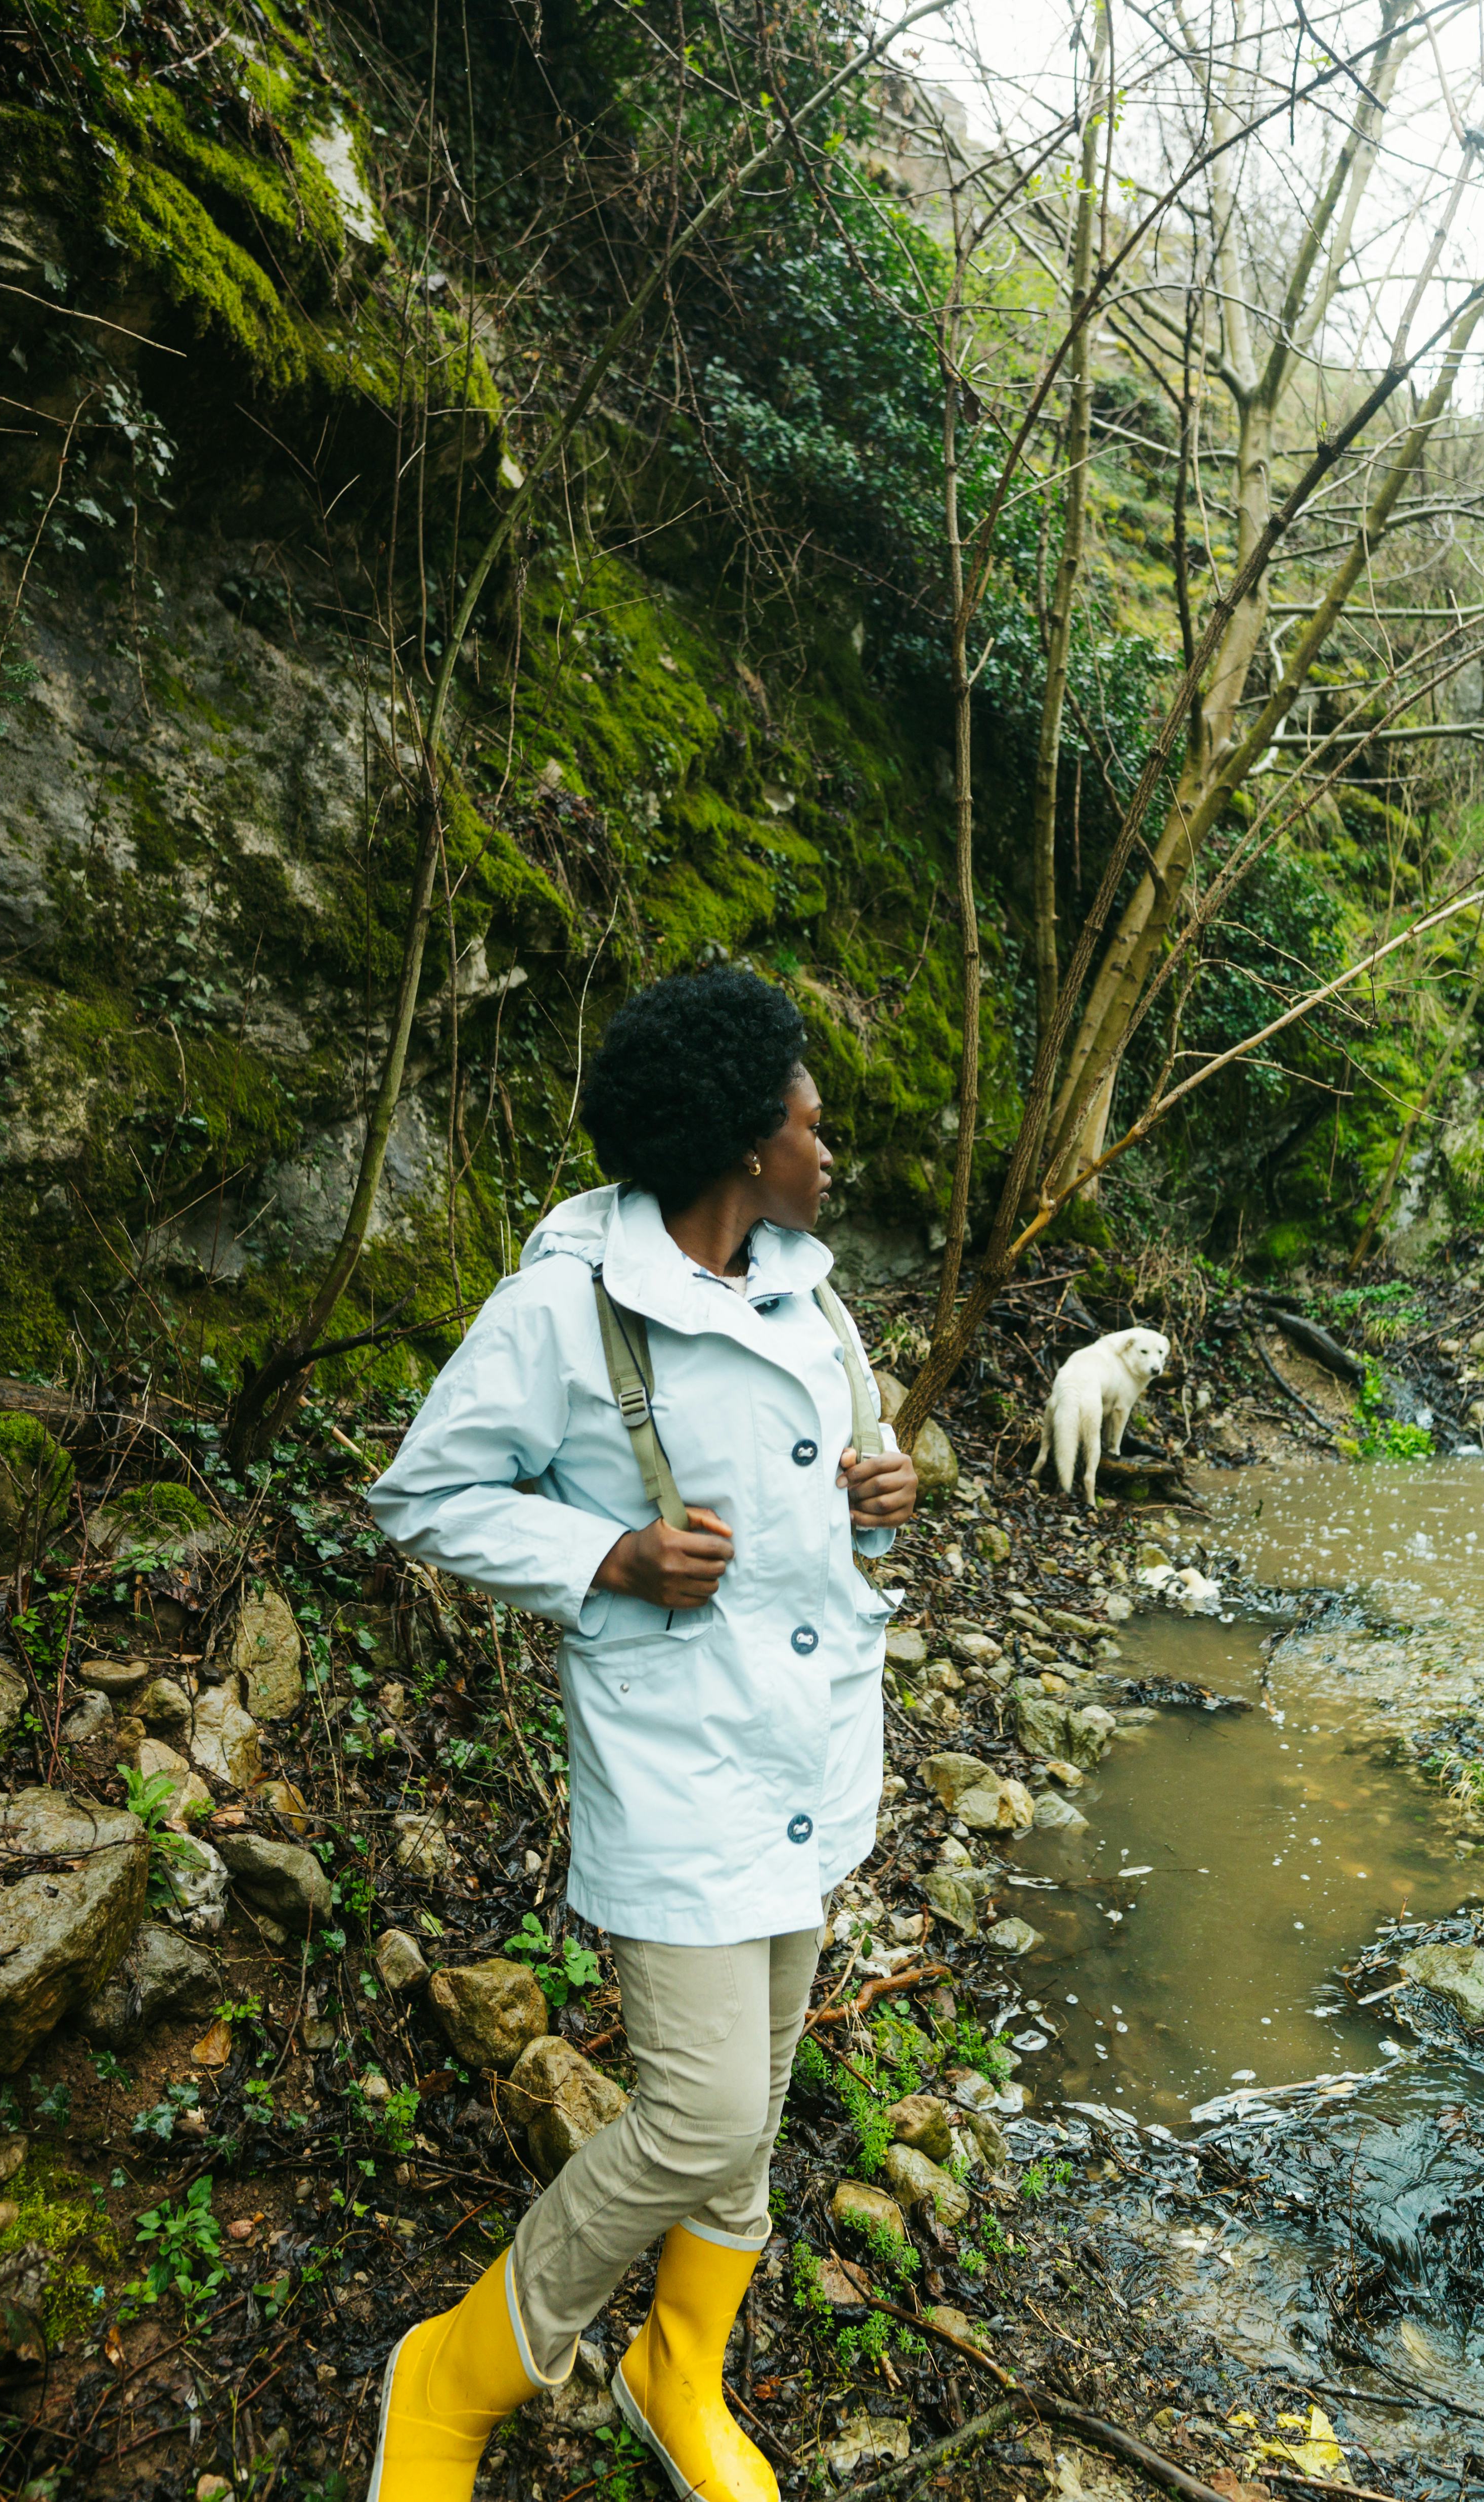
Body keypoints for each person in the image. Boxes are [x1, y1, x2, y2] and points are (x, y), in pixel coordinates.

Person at [361, 965, 921, 2502]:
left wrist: (882, 1500)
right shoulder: (567, 1303)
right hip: (679, 1764)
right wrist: (601, 1557)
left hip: (807, 1752)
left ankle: (679, 2374)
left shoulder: (808, 1287)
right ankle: (458, 2374)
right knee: (702, 2109)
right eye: (813, 1122)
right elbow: (425, 1492)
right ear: (746, 1145)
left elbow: (845, 1492)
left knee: (767, 2087)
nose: (831, 1147)